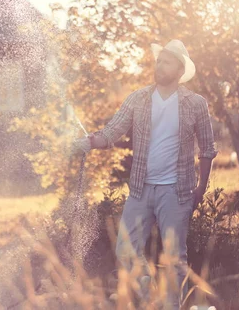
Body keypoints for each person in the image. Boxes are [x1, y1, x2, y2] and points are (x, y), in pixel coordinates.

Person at [73, 39, 218, 309]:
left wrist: (201, 189)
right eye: (158, 60)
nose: (159, 65)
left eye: (166, 62)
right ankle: (153, 299)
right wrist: (89, 142)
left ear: (179, 69)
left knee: (175, 258)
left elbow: (208, 150)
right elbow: (111, 132)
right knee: (126, 250)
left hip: (176, 191)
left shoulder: (195, 104)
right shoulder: (137, 98)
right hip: (140, 189)